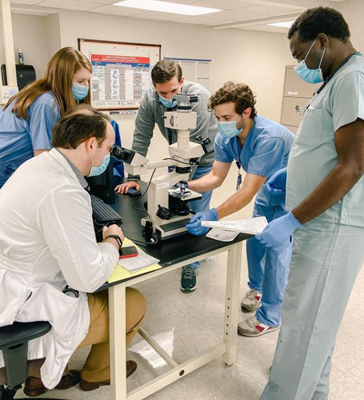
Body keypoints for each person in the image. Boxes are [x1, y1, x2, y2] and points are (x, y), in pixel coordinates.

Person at [256, 7, 364, 400]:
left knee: (304, 328)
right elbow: (327, 152)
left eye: (301, 55)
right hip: (318, 222)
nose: (300, 64)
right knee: (316, 328)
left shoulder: (355, 77)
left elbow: (352, 166)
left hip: (332, 224)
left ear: (322, 40)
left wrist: (291, 219)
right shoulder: (336, 80)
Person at [0, 109, 147, 396]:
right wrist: (112, 241)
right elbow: (88, 279)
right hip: (28, 304)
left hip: (12, 283)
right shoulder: (63, 191)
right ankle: (96, 372)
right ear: (91, 145)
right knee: (133, 303)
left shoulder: (36, 166)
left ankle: (40, 375)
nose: (108, 155)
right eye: (107, 148)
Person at [186, 81, 295, 337]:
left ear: (246, 113)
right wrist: (182, 184)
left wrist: (214, 214)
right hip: (267, 192)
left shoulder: (271, 137)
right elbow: (215, 177)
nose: (221, 122)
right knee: (254, 241)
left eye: (227, 117)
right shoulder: (226, 136)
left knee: (277, 249)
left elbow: (246, 192)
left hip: (291, 196)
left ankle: (270, 315)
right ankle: (257, 289)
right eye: (218, 117)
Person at [115, 59, 218, 292]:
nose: (169, 96)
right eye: (163, 92)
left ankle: (191, 262)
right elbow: (142, 135)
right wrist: (133, 175)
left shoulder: (199, 98)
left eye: (174, 89)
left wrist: (181, 185)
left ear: (182, 81)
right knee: (172, 198)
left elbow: (197, 144)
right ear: (154, 87)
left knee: (195, 208)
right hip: (177, 156)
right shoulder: (151, 100)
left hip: (205, 157)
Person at [0, 46, 92, 189]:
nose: (86, 86)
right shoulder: (46, 104)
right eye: (80, 81)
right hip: (5, 170)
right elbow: (44, 157)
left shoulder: (40, 95)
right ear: (63, 78)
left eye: (88, 81)